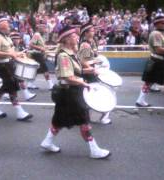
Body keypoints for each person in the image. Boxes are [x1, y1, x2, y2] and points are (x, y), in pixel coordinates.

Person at [40, 26, 111, 159]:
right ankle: (94, 150)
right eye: (73, 36)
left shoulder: (71, 53)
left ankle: (47, 141)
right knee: (83, 120)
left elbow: (76, 72)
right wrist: (84, 83)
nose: (77, 37)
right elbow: (67, 77)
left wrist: (91, 71)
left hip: (69, 92)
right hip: (70, 93)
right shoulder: (63, 56)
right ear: (66, 39)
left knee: (59, 120)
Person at [0, 16, 33, 122]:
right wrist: (11, 55)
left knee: (0, 90)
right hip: (2, 66)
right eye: (6, 23)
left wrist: (18, 54)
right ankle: (19, 112)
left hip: (8, 65)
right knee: (12, 89)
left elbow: (11, 53)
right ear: (0, 25)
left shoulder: (7, 37)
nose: (9, 24)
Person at [78, 22, 111, 125]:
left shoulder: (91, 42)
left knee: (87, 94)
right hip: (88, 73)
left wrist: (97, 62)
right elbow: (83, 62)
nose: (94, 31)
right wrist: (92, 69)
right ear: (86, 32)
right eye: (92, 30)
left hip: (91, 71)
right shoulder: (85, 45)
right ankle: (102, 116)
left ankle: (86, 115)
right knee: (95, 93)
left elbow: (93, 57)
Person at [9, 31, 36, 101]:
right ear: (12, 39)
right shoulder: (10, 46)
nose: (17, 40)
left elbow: (22, 55)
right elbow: (12, 55)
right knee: (18, 81)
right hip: (10, 66)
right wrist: (21, 54)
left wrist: (24, 54)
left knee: (18, 81)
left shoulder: (20, 46)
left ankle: (7, 94)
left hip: (15, 66)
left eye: (18, 39)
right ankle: (26, 95)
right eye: (15, 39)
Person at [27, 22, 54, 90]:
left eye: (45, 27)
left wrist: (46, 47)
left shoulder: (42, 36)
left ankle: (30, 84)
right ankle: (50, 84)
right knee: (45, 69)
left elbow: (41, 45)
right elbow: (30, 45)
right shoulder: (37, 35)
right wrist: (41, 48)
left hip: (39, 54)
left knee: (36, 70)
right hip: (36, 54)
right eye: (44, 27)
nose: (45, 29)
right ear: (40, 28)